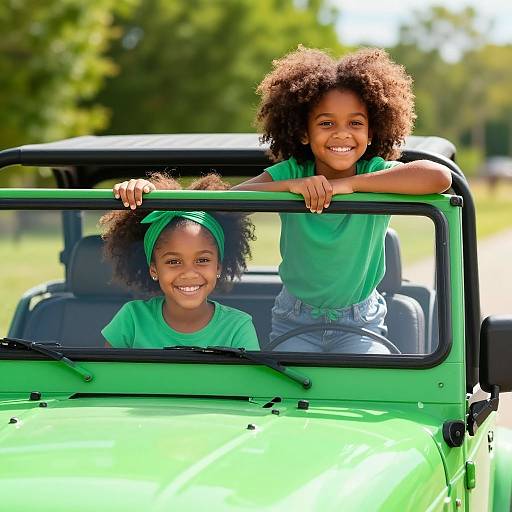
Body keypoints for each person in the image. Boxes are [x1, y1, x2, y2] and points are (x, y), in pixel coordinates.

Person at [112, 47, 452, 354]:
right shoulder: (292, 170)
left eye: (355, 123)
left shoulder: (377, 172)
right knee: (289, 403)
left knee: (372, 387)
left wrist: (348, 185)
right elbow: (230, 199)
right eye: (326, 123)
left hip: (361, 319)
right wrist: (294, 185)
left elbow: (439, 177)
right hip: (295, 317)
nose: (341, 133)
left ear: (372, 130)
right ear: (303, 132)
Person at [101, 173, 259, 350]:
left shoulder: (237, 327)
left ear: (218, 266)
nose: (189, 273)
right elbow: (108, 376)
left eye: (202, 260)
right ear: (153, 269)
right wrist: (138, 193)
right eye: (174, 262)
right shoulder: (132, 319)